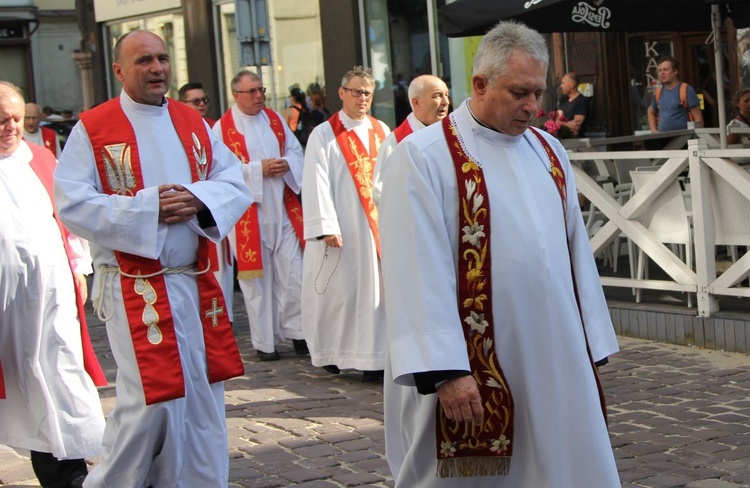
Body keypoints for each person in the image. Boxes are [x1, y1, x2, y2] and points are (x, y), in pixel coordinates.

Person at [378, 21, 620, 487]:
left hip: (554, 352)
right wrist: (445, 369)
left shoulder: (549, 151)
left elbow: (574, 253)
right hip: (473, 364)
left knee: (562, 462)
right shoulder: (425, 156)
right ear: (480, 84)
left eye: (538, 92)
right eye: (519, 92)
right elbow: (413, 268)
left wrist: (588, 339)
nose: (533, 106)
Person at [53, 30, 253, 487]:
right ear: (119, 70)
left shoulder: (191, 121)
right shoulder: (94, 127)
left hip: (195, 281)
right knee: (151, 400)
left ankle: (197, 480)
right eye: (144, 60)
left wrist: (198, 199)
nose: (157, 68)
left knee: (202, 395)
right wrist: (148, 208)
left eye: (163, 58)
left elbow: (233, 181)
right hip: (134, 284)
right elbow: (72, 202)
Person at [0, 81, 106, 488]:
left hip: (52, 292)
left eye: (15, 118)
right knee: (13, 380)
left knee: (59, 373)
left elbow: (69, 217)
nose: (11, 127)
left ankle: (68, 471)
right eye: (2, 120)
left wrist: (79, 266)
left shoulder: (41, 158)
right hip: (6, 302)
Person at [301, 66, 391, 381]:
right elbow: (315, 180)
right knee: (339, 294)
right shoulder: (324, 134)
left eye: (367, 93)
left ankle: (374, 358)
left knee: (377, 293)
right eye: (356, 92)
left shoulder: (382, 130)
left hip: (377, 229)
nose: (362, 98)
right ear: (342, 94)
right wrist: (324, 224)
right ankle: (332, 352)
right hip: (343, 227)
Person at [213, 69, 308, 361]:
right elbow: (219, 172)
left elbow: (295, 150)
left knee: (294, 273)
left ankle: (298, 333)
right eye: (251, 92)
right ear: (236, 95)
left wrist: (286, 164)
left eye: (261, 90)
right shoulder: (221, 129)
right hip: (248, 215)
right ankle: (264, 342)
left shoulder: (275, 119)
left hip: (282, 205)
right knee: (257, 282)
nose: (259, 96)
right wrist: (258, 170)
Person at [372, 74, 450, 205]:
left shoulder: (453, 135)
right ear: (417, 102)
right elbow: (381, 193)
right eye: (437, 96)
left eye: (446, 95)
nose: (446, 102)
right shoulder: (395, 143)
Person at [648, 56, 703, 133]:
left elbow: (699, 121)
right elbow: (651, 112)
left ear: (675, 71)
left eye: (665, 70)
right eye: (660, 70)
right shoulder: (659, 92)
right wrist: (654, 130)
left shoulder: (686, 89)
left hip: (684, 139)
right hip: (663, 139)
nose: (662, 73)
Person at [557, 72, 589, 137]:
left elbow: (576, 127)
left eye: (563, 83)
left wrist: (560, 123)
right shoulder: (563, 99)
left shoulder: (582, 101)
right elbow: (558, 119)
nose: (561, 86)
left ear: (572, 84)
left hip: (576, 141)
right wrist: (567, 124)